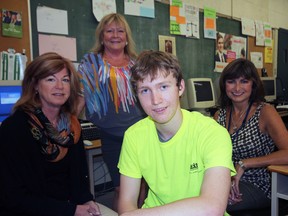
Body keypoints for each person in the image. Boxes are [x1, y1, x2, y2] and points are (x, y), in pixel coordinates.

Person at [117, 50, 236, 216]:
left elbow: (212, 208)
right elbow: (126, 204)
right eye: (145, 90)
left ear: (180, 87)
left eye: (163, 87)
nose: (155, 100)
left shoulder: (212, 133)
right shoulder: (134, 136)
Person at [0, 52, 117, 216]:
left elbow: (79, 179)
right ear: (35, 85)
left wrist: (87, 200)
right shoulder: (15, 128)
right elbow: (14, 198)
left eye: (65, 80)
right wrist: (72, 210)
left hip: (68, 207)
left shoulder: (72, 126)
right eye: (50, 79)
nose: (60, 86)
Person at [77, 13, 146, 211]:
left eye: (120, 30)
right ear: (101, 36)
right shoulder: (91, 64)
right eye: (109, 31)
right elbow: (81, 98)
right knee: (121, 188)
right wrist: (66, 124)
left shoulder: (137, 64)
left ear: (126, 37)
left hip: (140, 132)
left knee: (141, 186)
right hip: (112, 137)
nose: (115, 35)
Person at [214, 58, 288, 213]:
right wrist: (225, 182)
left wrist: (244, 163)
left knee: (213, 204)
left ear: (253, 84)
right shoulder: (219, 116)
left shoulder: (265, 112)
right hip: (225, 180)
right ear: (224, 84)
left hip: (259, 183)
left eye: (244, 81)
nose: (237, 87)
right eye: (231, 81)